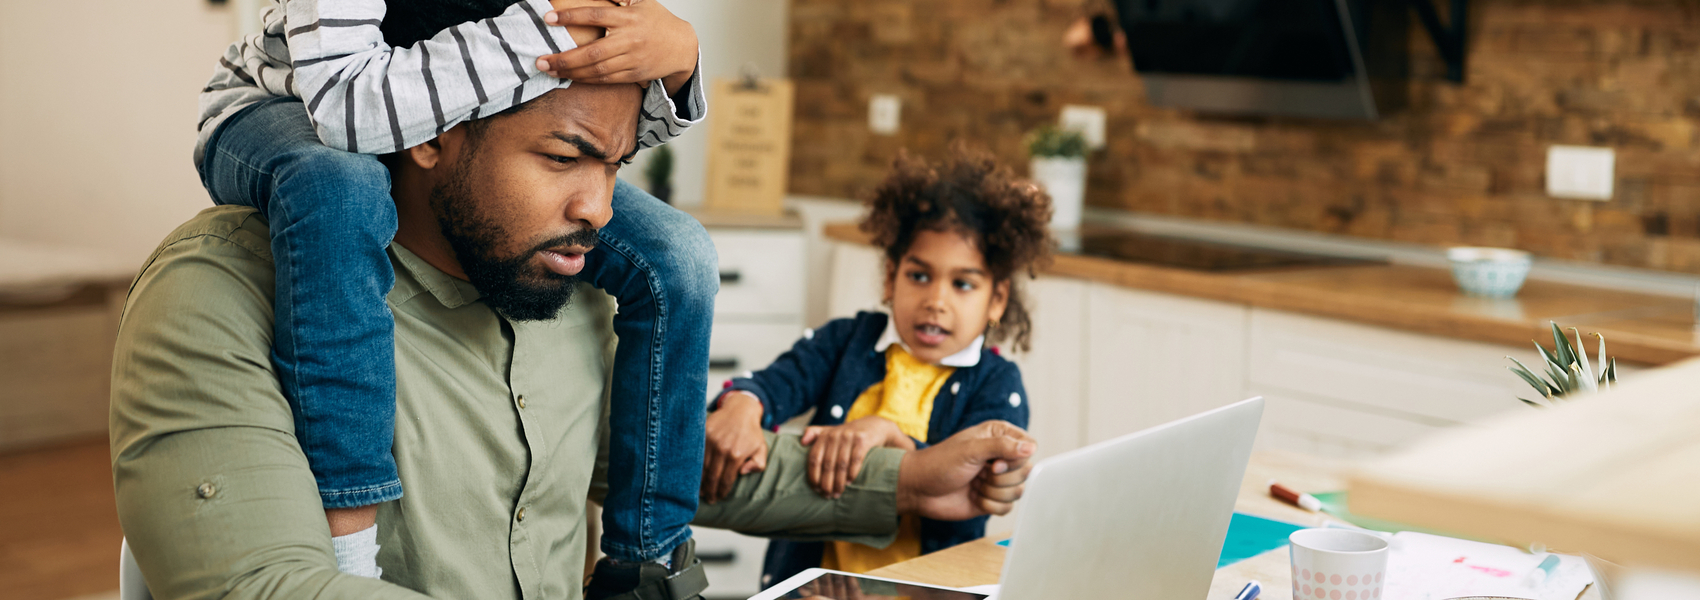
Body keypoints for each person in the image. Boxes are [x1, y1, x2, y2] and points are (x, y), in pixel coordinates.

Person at [113, 80, 1038, 600]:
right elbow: (266, 591)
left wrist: (908, 481)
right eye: (562, 157)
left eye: (614, 165)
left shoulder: (578, 276)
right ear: (430, 128)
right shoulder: (221, 294)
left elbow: (661, 464)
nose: (598, 208)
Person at [194, 0, 712, 581]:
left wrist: (676, 60)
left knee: (680, 253)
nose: (600, 206)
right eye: (564, 158)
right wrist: (553, 39)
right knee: (340, 189)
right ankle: (348, 557)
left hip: (444, 88)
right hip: (293, 106)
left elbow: (614, 118)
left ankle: (650, 563)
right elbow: (349, 110)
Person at [700, 148, 1056, 585]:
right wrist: (742, 404)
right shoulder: (846, 341)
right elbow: (774, 383)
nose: (936, 301)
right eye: (919, 276)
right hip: (819, 585)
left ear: (996, 300)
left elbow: (967, 490)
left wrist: (888, 434)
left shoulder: (998, 384)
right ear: (891, 278)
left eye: (962, 284)